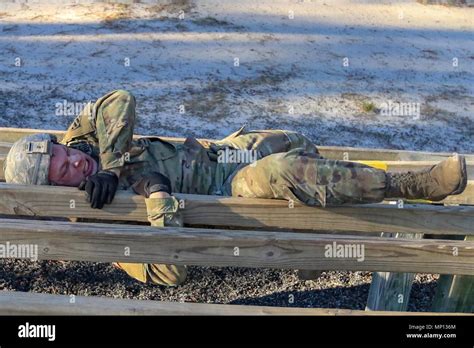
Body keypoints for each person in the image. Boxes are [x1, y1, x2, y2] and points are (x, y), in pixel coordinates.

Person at [3, 90, 468, 286]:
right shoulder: (95, 219)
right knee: (285, 169)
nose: (73, 159)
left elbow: (120, 100)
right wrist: (161, 201)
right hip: (228, 190)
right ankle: (416, 185)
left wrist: (109, 162)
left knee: (294, 141)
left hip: (219, 154)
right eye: (64, 169)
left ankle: (319, 231)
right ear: (55, 191)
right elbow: (168, 274)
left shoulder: (86, 147)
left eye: (63, 152)